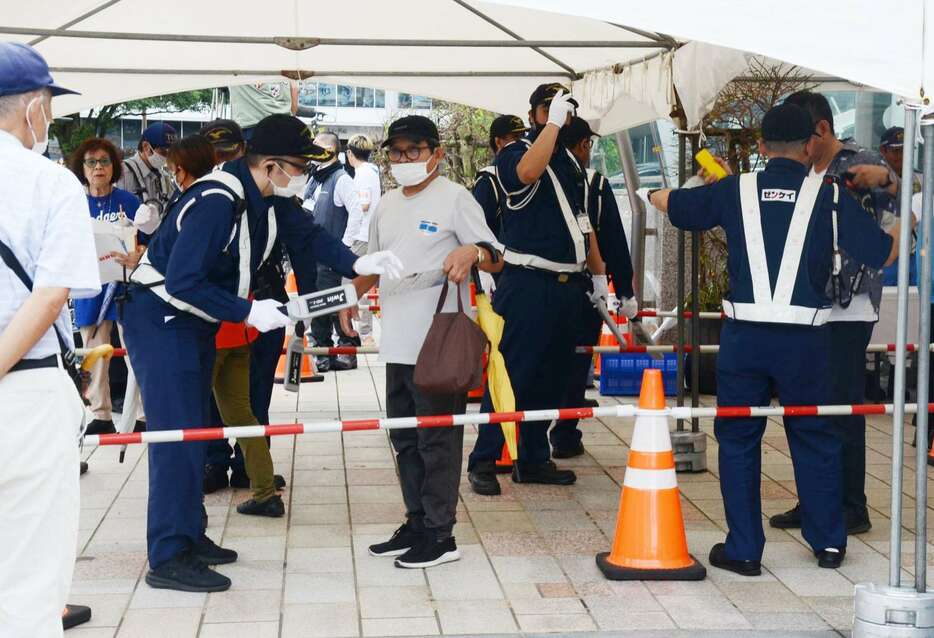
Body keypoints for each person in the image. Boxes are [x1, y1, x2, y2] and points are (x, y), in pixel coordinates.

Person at [122, 115, 402, 592]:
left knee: (198, 430)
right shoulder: (216, 199)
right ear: (270, 165)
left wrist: (358, 263)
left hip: (194, 321)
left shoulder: (269, 198)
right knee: (177, 438)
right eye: (297, 166)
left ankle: (190, 535)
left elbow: (311, 237)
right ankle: (168, 555)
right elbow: (182, 280)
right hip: (161, 320)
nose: (303, 176)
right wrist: (247, 312)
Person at [645, 103, 899, 574]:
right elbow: (882, 253)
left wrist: (656, 194)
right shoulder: (831, 197)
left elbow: (678, 207)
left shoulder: (732, 191)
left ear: (761, 147)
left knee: (739, 438)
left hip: (744, 340)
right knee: (815, 436)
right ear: (809, 147)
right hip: (808, 342)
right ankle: (827, 544)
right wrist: (908, 218)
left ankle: (743, 549)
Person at [343, 115, 502, 569]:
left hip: (440, 345)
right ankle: (416, 521)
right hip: (397, 342)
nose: (405, 160)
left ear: (437, 154)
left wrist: (471, 251)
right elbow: (369, 266)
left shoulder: (455, 199)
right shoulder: (386, 205)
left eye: (415, 151)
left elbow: (496, 257)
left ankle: (440, 534)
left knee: (439, 441)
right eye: (397, 152)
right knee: (405, 439)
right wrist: (345, 303)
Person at [0, 41, 100, 637]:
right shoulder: (48, 182)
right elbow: (51, 293)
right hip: (25, 390)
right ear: (33, 107)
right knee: (29, 578)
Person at [769, 91, 902, 536]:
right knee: (806, 407)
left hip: (850, 306)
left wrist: (886, 180)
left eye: (803, 138)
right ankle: (815, 500)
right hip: (806, 303)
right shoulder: (801, 171)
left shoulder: (858, 164)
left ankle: (851, 505)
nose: (800, 149)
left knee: (843, 407)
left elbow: (899, 206)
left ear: (822, 131)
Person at [466, 83, 604, 495]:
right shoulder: (516, 152)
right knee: (513, 375)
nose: (561, 114)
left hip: (567, 284)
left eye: (566, 107)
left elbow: (583, 221)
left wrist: (598, 276)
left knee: (550, 378)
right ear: (533, 114)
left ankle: (533, 457)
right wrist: (550, 126)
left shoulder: (569, 162)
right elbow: (526, 173)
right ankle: (484, 459)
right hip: (528, 282)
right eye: (550, 107)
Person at [549, 116, 636, 458]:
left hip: (541, 285)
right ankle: (565, 434)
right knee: (576, 361)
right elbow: (613, 238)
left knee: (544, 360)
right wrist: (624, 290)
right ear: (584, 144)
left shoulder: (541, 177)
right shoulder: (595, 184)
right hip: (586, 286)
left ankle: (530, 436)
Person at [67, 137, 145, 435]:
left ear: (114, 167)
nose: (98, 167)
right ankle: (100, 415)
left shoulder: (129, 202)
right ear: (82, 168)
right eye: (91, 162)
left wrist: (137, 253)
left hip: (127, 288)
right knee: (94, 353)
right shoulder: (74, 204)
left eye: (104, 161)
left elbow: (149, 243)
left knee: (136, 351)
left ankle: (142, 414)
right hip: (89, 288)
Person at [303, 131, 363, 371]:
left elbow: (357, 212)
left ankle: (343, 350)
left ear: (330, 151)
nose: (312, 149)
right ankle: (323, 351)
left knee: (331, 302)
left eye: (317, 145)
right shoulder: (314, 177)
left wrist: (344, 247)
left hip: (332, 254)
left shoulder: (341, 178)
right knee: (318, 302)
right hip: (314, 254)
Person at [343, 134, 380, 340]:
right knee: (362, 284)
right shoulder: (372, 171)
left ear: (350, 153)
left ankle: (363, 333)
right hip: (368, 234)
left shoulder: (363, 173)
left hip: (361, 235)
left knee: (353, 284)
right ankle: (363, 332)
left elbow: (363, 205)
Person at [474, 114, 529, 240]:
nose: (521, 142)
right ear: (498, 142)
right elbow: (481, 227)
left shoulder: (528, 173)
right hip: (502, 254)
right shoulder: (488, 179)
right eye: (515, 137)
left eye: (523, 136)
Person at [116, 122, 176, 218]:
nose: (167, 156)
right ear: (146, 147)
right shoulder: (122, 173)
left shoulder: (164, 178)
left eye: (171, 152)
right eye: (163, 151)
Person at [228, 81, 299, 139]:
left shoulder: (235, 65)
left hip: (252, 125)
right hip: (284, 125)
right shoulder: (289, 65)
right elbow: (294, 92)